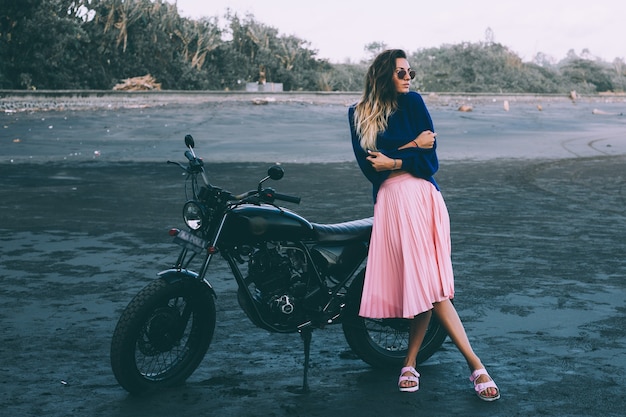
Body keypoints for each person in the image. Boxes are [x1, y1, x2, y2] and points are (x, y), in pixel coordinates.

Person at [348, 49, 500, 401]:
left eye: (410, 72)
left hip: (425, 197)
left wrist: (398, 157)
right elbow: (370, 166)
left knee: (429, 285)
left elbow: (430, 160)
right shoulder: (357, 114)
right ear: (384, 74)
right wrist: (412, 146)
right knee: (424, 285)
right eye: (401, 72)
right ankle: (466, 365)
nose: (408, 77)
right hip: (392, 202)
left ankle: (432, 363)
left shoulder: (414, 103)